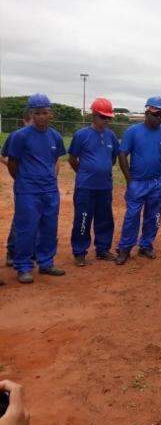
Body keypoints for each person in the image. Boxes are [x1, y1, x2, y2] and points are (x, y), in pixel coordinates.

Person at [7, 93, 66, 284]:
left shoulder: (55, 136)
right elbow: (12, 163)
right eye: (37, 113)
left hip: (50, 190)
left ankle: (46, 263)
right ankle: (23, 266)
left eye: (45, 112)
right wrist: (24, 181)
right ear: (31, 114)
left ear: (51, 114)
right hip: (28, 191)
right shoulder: (20, 136)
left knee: (49, 227)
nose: (41, 116)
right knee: (27, 228)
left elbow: (55, 159)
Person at [115, 96, 161, 265]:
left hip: (157, 182)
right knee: (132, 215)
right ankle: (125, 248)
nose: (159, 118)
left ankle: (146, 244)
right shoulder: (133, 131)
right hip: (137, 182)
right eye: (155, 114)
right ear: (146, 113)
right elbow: (122, 155)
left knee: (154, 215)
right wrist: (129, 180)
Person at [68, 98, 120, 267]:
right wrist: (84, 173)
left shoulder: (111, 135)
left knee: (105, 219)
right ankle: (80, 252)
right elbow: (72, 159)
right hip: (86, 187)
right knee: (83, 219)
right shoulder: (81, 135)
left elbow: (112, 159)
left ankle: (103, 249)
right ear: (94, 115)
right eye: (103, 117)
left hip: (104, 186)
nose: (106, 121)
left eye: (108, 118)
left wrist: (100, 169)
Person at [1, 110, 32, 272]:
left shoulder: (42, 135)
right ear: (25, 121)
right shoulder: (16, 136)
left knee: (37, 218)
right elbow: (4, 155)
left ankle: (29, 251)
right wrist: (18, 172)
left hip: (40, 186)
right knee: (21, 217)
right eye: (30, 121)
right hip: (24, 184)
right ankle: (12, 252)